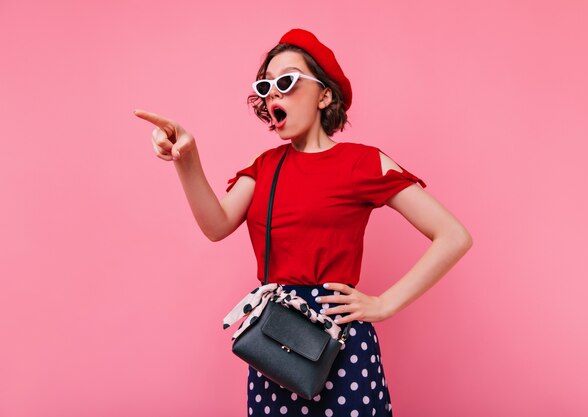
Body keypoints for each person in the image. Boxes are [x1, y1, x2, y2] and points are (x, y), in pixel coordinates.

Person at [134, 28, 472, 417]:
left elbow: (453, 235)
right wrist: (186, 157)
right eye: (267, 86)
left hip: (341, 343)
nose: (273, 94)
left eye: (287, 81)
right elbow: (216, 224)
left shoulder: (362, 162)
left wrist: (384, 304)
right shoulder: (265, 166)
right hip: (274, 341)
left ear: (324, 95)